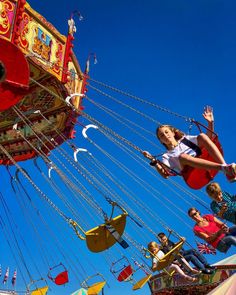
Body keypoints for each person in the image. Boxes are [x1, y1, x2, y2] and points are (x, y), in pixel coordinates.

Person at [143, 106, 236, 183]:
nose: (165, 136)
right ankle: (222, 168)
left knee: (202, 136)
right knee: (182, 156)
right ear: (161, 141)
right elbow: (165, 174)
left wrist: (210, 123)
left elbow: (208, 138)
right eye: (161, 136)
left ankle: (226, 169)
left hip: (203, 158)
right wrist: (153, 161)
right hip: (191, 174)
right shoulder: (166, 156)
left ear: (173, 132)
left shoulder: (185, 140)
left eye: (166, 132)